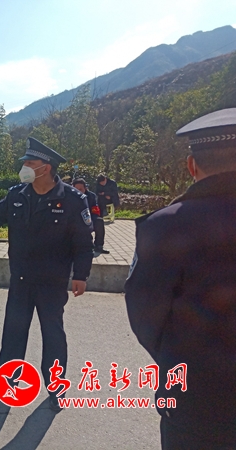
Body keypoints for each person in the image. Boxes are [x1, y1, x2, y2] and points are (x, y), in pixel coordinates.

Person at [0, 137, 94, 411]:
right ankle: (6, 383)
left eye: (29, 163)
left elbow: (83, 243)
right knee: (13, 333)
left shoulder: (72, 199)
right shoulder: (18, 195)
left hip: (52, 282)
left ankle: (56, 388)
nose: (24, 167)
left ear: (46, 167)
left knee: (53, 335)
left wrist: (81, 274)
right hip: (21, 279)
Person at [124, 108, 236, 449]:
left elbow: (145, 318)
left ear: (191, 166)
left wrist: (182, 359)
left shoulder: (163, 226)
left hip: (196, 403)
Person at [72, 178, 109, 255]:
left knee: (99, 221)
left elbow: (95, 211)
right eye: (76, 189)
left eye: (80, 189)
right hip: (73, 219)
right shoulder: (68, 196)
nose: (78, 191)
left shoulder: (91, 196)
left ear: (85, 188)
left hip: (88, 218)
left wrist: (89, 220)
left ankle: (98, 246)